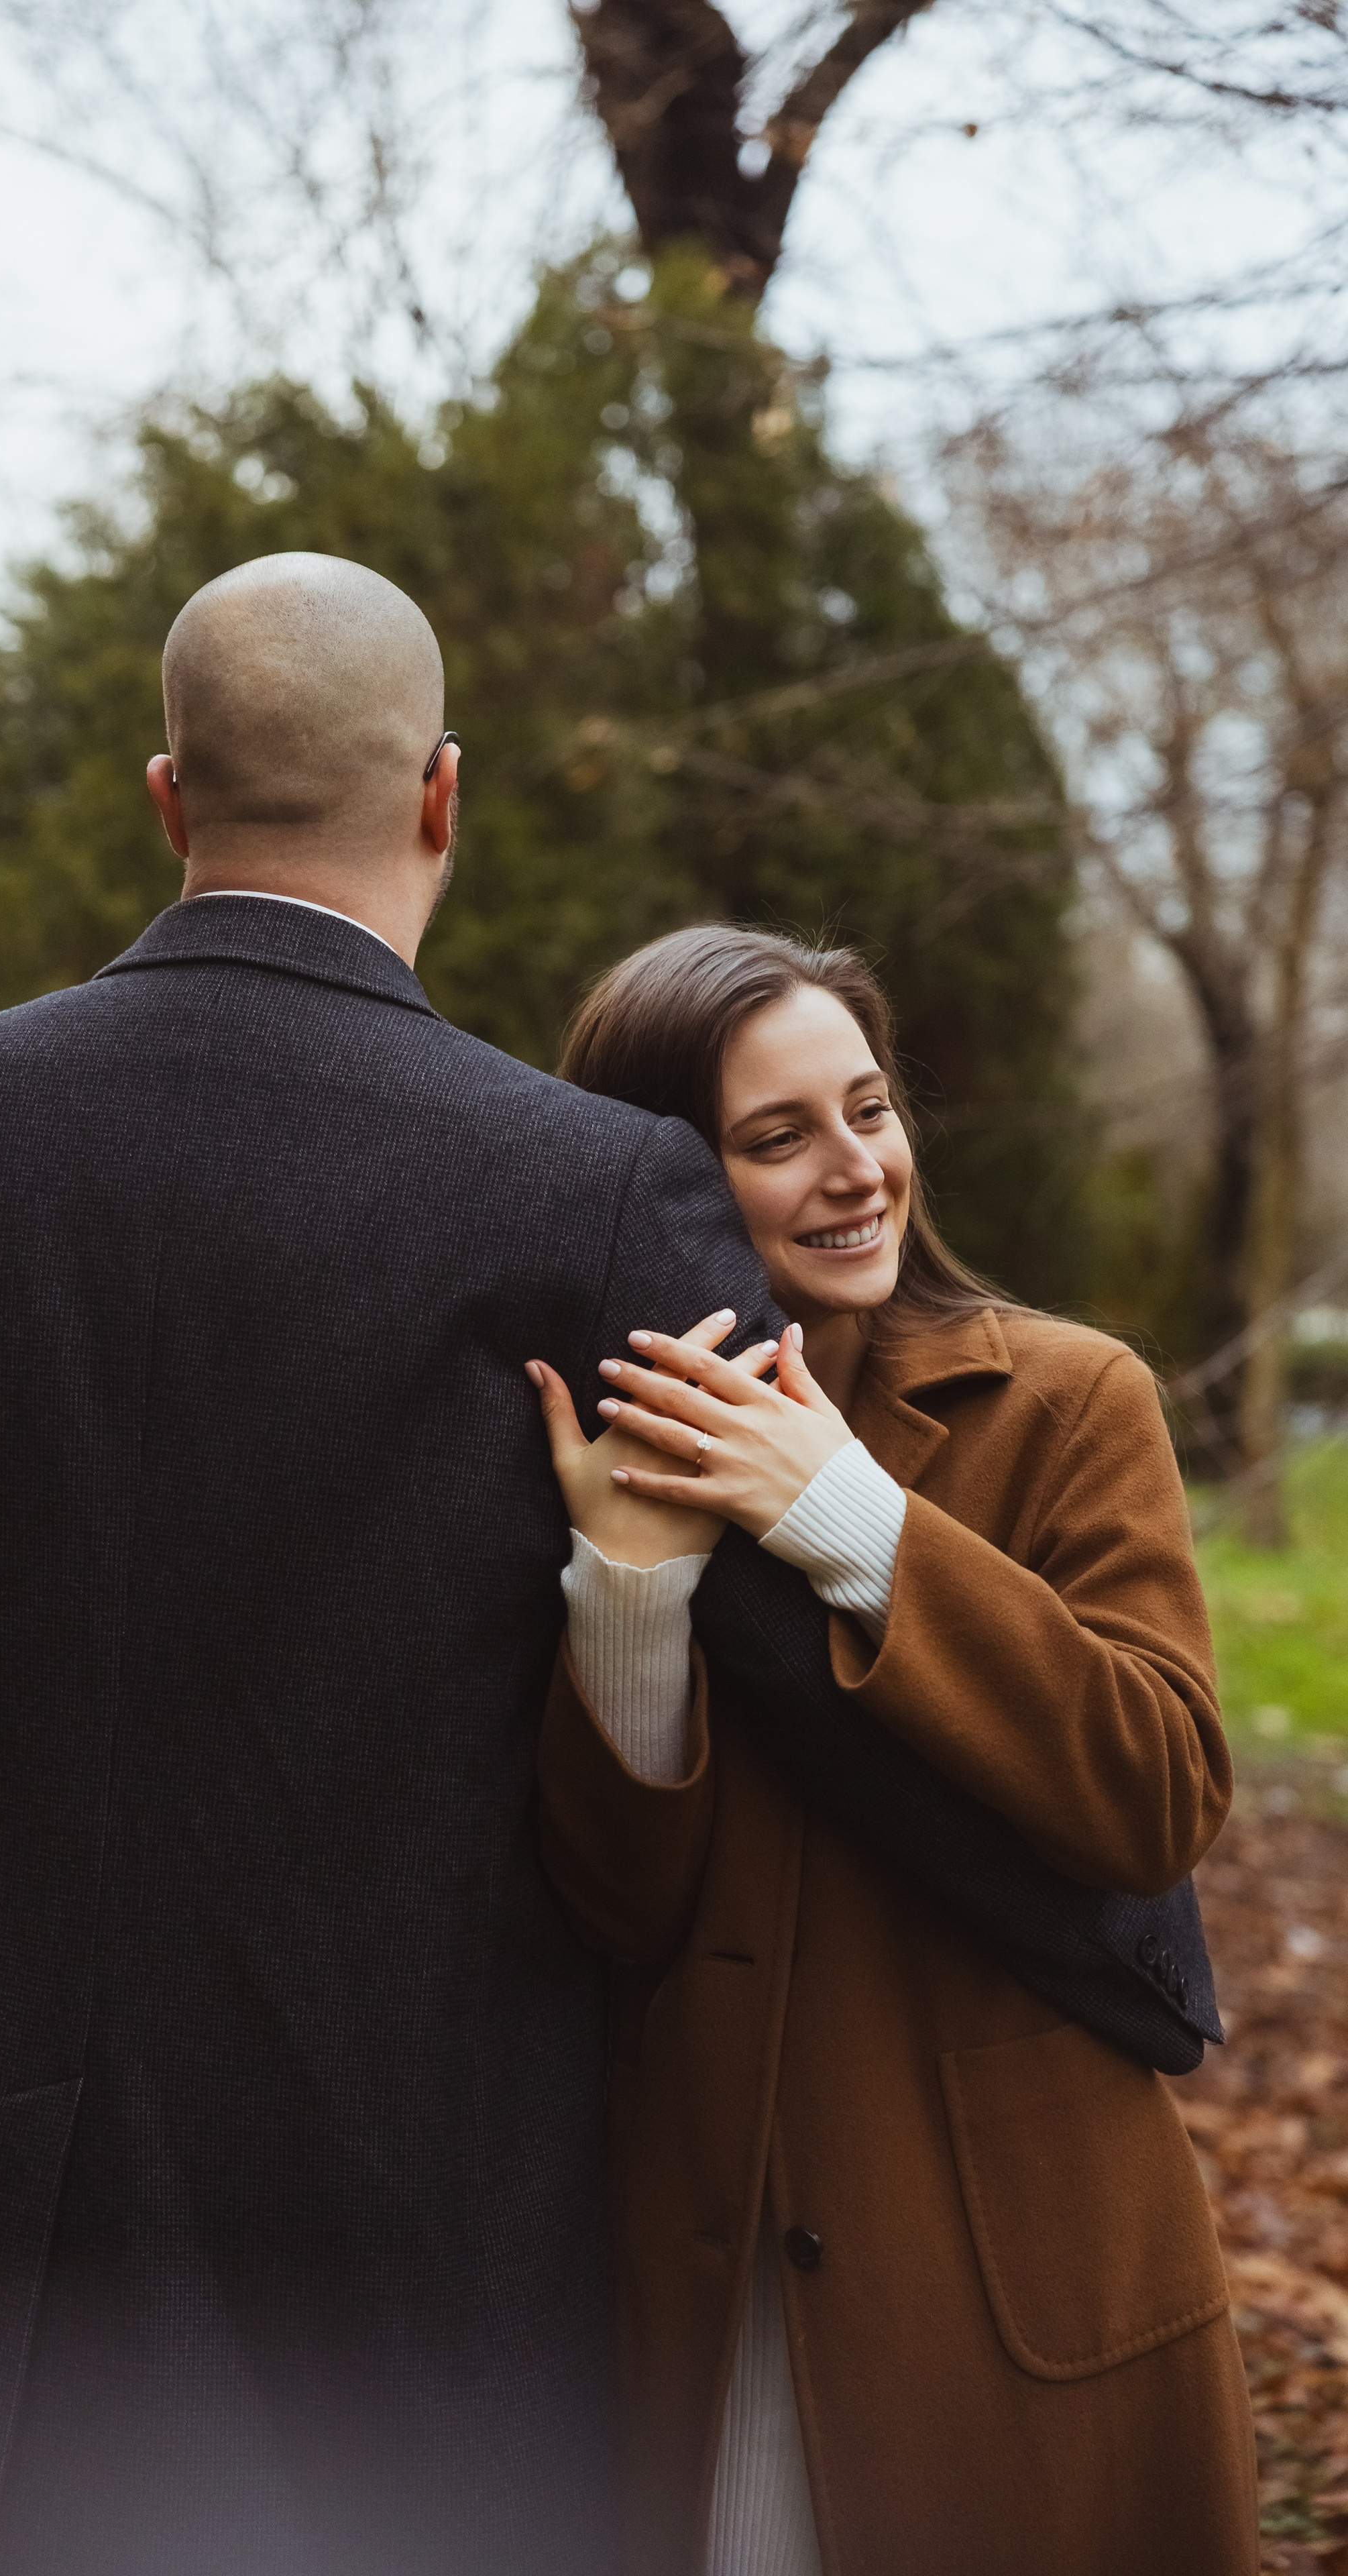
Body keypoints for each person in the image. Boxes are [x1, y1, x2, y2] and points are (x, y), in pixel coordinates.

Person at [0, 554, 856, 2576]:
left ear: (170, 798)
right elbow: (773, 1693)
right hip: (421, 2220)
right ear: (442, 797)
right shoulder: (595, 1193)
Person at [528, 923, 1258, 2576]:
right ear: (667, 1177)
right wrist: (628, 1596)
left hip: (1005, 2274)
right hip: (708, 2281)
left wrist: (846, 1515)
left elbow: (1153, 1792)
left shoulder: (1066, 1402)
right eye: (777, 1138)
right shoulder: (595, 1445)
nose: (856, 1171)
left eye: (869, 1110)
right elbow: (609, 1912)